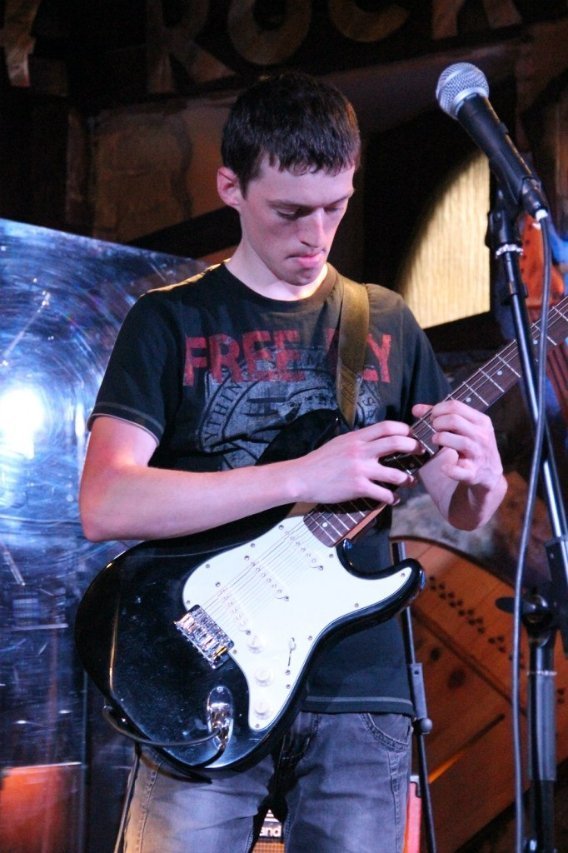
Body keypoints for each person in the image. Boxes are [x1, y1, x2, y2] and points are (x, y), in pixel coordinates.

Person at [79, 70, 507, 853]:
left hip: (360, 691)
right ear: (231, 189)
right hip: (203, 674)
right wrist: (304, 476)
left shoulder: (386, 320)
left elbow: (460, 504)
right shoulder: (169, 320)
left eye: (335, 207)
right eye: (289, 211)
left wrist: (483, 477)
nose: (316, 235)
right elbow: (106, 501)